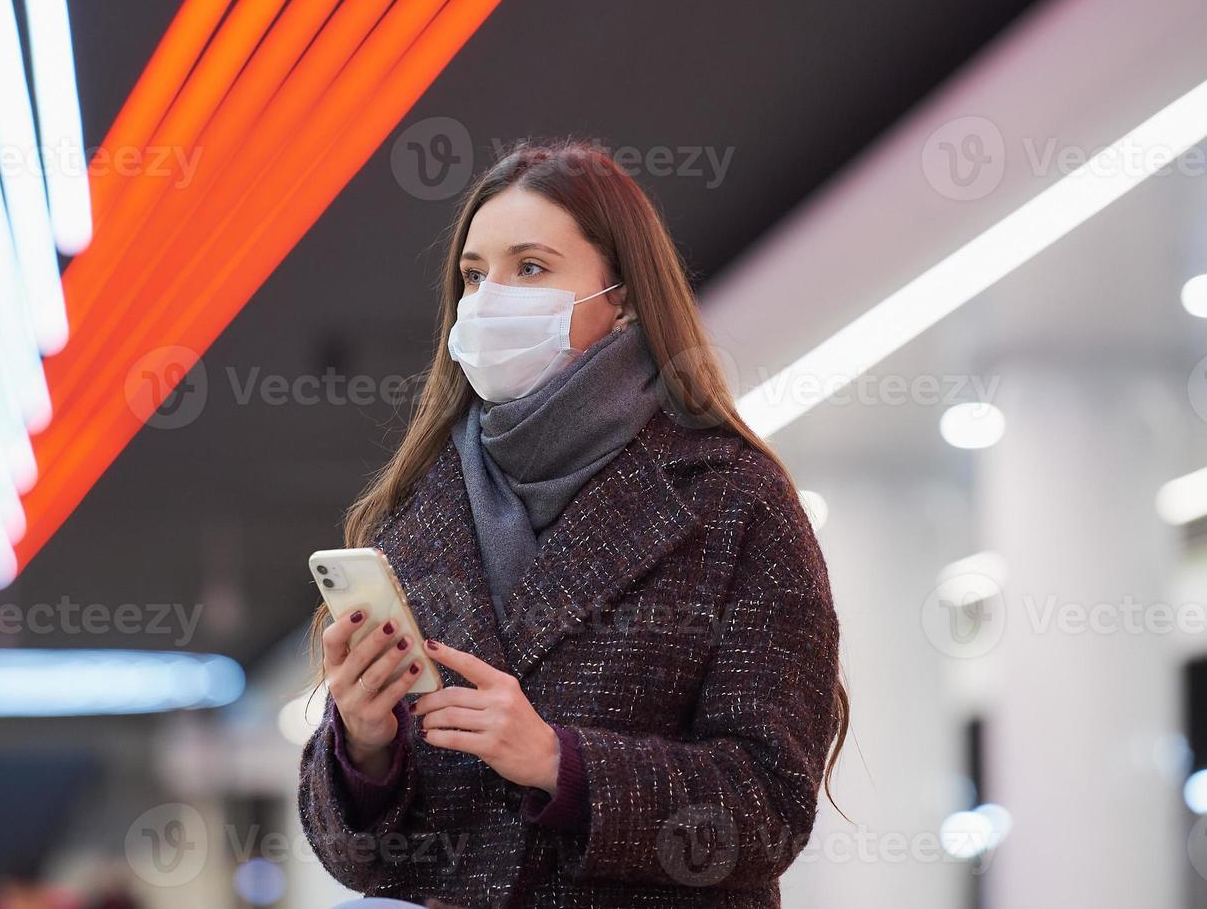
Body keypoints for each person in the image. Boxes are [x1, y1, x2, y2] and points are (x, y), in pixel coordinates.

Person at [298, 138, 850, 909]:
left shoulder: (731, 499)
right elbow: (362, 860)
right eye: (474, 274)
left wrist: (561, 761)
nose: (490, 299)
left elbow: (767, 807)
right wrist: (363, 745)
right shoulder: (415, 514)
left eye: (530, 267)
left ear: (620, 296)